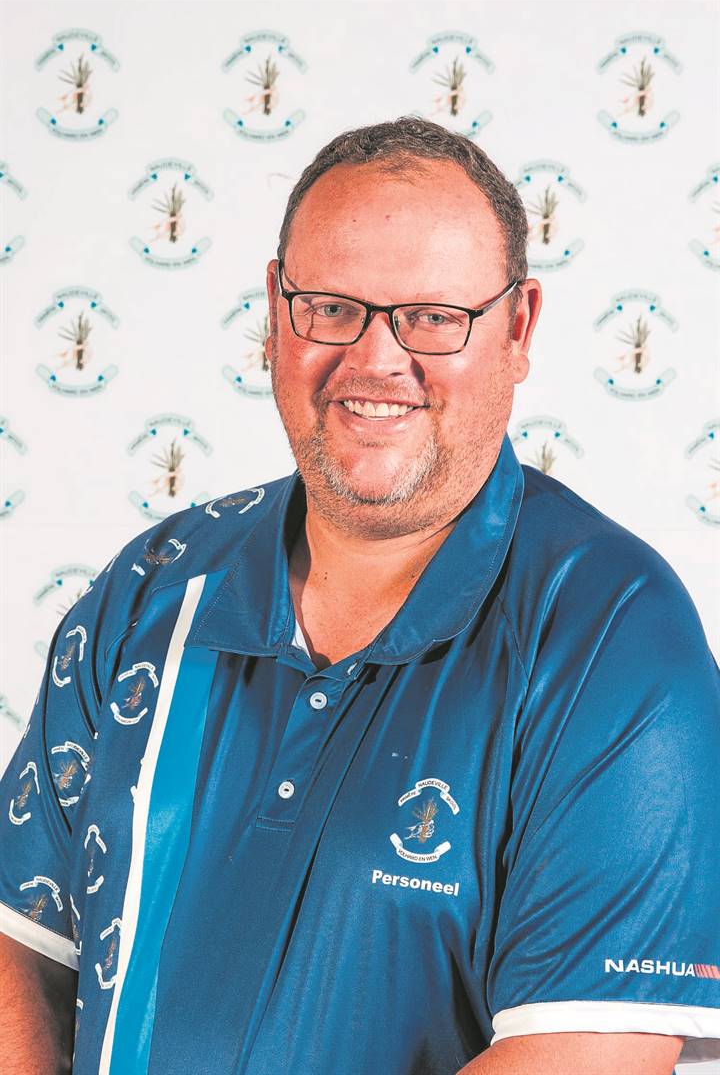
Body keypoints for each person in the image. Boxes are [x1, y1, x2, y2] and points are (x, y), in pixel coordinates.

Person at [0, 116, 718, 1075]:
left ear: (519, 327)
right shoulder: (151, 587)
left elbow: (584, 1054)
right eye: (332, 306)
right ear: (275, 310)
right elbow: (19, 947)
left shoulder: (612, 634)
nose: (376, 360)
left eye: (433, 316)